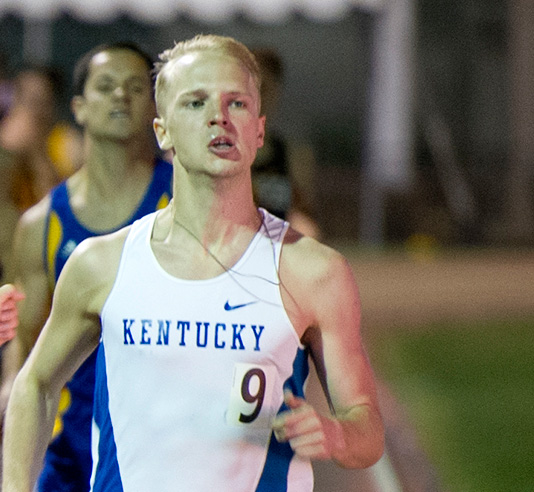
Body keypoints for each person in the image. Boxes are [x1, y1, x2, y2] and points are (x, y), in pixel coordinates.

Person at [3, 34, 383, 491]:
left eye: (236, 103)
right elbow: (34, 385)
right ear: (162, 130)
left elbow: (367, 431)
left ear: (259, 130)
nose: (218, 117)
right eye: (195, 103)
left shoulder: (313, 272)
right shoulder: (101, 264)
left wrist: (338, 434)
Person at [1, 42, 172, 491]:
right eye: (106, 86)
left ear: (155, 110)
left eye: (136, 87)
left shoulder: (186, 202)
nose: (121, 96)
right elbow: (26, 356)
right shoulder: (41, 224)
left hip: (163, 445)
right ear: (78, 107)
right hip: (72, 450)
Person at [0, 64, 83, 282]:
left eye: (39, 102)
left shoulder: (67, 144)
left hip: (48, 254)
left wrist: (36, 152)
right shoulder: (6, 141)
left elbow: (60, 212)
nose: (31, 111)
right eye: (25, 100)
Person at [251, 47, 320, 239]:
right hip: (237, 242)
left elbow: (303, 212)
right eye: (252, 89)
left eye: (265, 89)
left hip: (276, 241)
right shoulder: (223, 151)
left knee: (306, 230)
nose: (259, 98)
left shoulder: (289, 153)